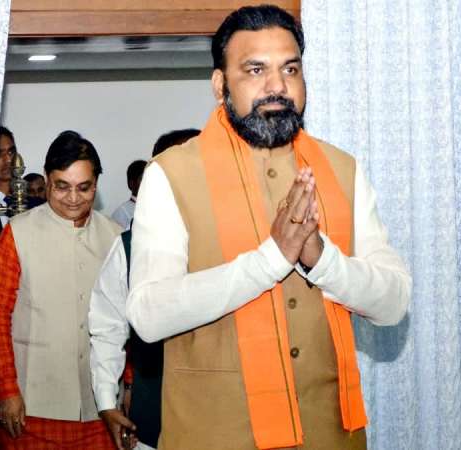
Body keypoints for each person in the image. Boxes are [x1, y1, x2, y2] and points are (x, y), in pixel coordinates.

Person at [124, 5, 412, 449]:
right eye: (255, 70)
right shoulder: (171, 174)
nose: (277, 86)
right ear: (219, 84)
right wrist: (269, 261)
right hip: (216, 436)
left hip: (330, 436)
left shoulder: (342, 170)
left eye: (290, 69)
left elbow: (393, 303)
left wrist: (322, 260)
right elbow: (148, 315)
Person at [0, 131, 131, 449]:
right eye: (62, 186)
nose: (73, 198)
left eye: (84, 187)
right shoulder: (18, 234)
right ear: (47, 180)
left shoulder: (116, 237)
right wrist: (7, 390)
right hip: (33, 404)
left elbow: (129, 319)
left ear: (96, 185)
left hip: (101, 407)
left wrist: (128, 385)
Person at [91, 128, 200, 450]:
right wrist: (107, 401)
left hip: (226, 420)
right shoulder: (128, 247)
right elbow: (107, 328)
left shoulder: (237, 244)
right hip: (153, 419)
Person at [110, 159, 147, 231]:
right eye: (143, 179)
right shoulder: (121, 213)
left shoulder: (158, 208)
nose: (148, 183)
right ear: (131, 184)